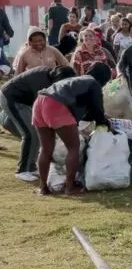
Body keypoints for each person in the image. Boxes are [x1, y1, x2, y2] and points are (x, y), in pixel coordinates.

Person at [32, 65, 111, 195]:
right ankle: (70, 187)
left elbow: (83, 110)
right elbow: (97, 110)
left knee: (46, 149)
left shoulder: (77, 81)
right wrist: (104, 122)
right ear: (105, 78)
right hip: (56, 104)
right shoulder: (93, 83)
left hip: (40, 101)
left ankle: (43, 187)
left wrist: (98, 117)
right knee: (73, 147)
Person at [0, 65, 75, 181]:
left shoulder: (52, 76)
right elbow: (42, 108)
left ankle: (31, 166)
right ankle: (23, 170)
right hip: (12, 99)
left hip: (21, 100)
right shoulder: (42, 82)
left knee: (30, 133)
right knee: (32, 134)